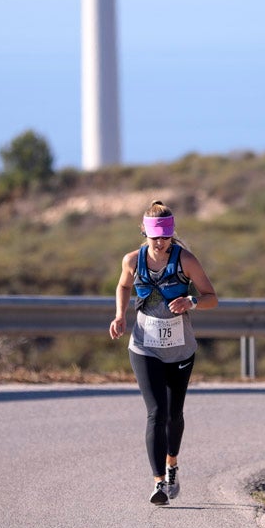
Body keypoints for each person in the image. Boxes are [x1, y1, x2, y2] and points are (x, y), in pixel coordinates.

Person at [110, 201, 218, 505]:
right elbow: (123, 286)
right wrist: (120, 315)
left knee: (173, 414)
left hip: (181, 348)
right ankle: (158, 483)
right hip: (144, 347)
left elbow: (212, 298)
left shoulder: (186, 260)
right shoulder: (133, 260)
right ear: (144, 232)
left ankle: (172, 465)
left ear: (172, 234)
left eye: (166, 237)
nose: (160, 243)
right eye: (155, 237)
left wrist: (192, 302)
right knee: (155, 413)